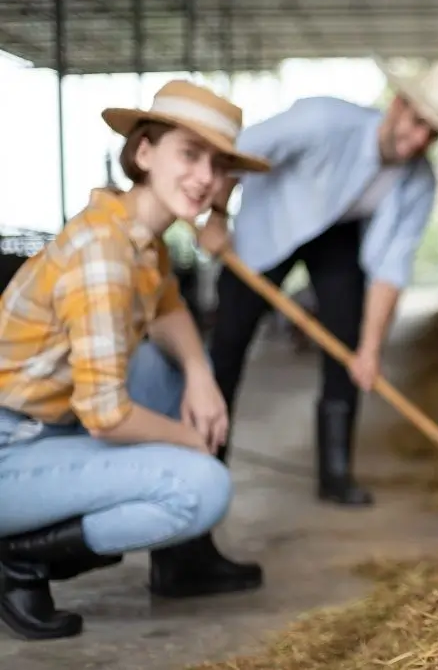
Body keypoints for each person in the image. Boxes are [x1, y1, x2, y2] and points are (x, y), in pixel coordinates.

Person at [0, 79, 271, 639]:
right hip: (9, 447)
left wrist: (200, 375)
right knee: (203, 486)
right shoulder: (104, 254)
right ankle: (17, 558)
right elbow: (105, 415)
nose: (205, 178)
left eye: (218, 165)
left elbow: (167, 305)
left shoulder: (139, 235)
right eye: (190, 155)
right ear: (144, 152)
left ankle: (181, 562)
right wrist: (187, 438)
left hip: (38, 430)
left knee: (167, 362)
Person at [197, 61, 438, 530]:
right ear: (397, 105)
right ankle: (208, 466)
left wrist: (370, 351)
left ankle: (335, 473)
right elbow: (236, 151)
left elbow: (392, 268)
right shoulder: (323, 121)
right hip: (268, 225)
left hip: (338, 236)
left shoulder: (419, 182)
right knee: (228, 344)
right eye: (415, 125)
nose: (416, 143)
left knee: (348, 343)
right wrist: (215, 217)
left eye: (431, 136)